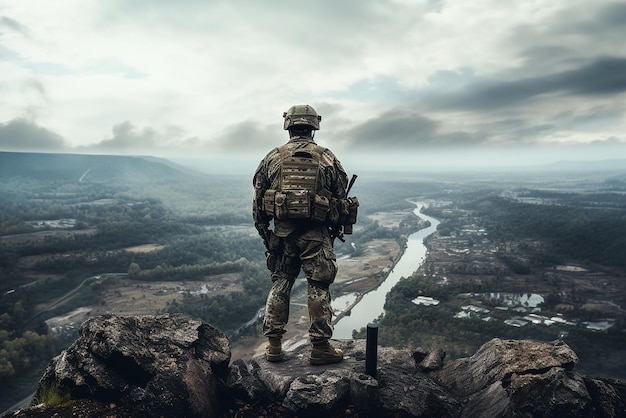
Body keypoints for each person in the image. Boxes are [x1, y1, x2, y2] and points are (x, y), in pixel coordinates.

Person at [252, 104, 358, 365]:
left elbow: (258, 204)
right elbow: (340, 198)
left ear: (288, 126)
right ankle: (320, 348)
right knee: (319, 286)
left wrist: (268, 236)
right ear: (314, 126)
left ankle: (274, 345)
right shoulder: (327, 157)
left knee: (280, 284)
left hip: (283, 234)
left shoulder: (272, 158)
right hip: (315, 236)